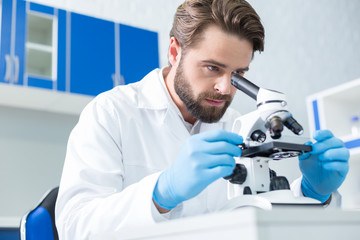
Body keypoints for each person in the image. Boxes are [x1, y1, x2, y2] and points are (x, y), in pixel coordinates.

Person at [55, 0, 349, 238]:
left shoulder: (237, 124)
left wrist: (314, 194)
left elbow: (265, 216)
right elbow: (75, 227)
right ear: (174, 52)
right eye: (211, 68)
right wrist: (161, 193)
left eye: (238, 74)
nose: (225, 88)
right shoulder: (111, 114)